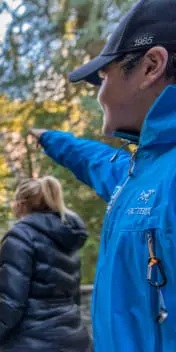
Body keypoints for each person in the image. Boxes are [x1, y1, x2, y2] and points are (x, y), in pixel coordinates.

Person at [29, 0, 176, 350]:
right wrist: (50, 139)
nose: (99, 94)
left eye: (102, 76)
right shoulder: (141, 172)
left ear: (151, 66)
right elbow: (95, 159)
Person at [0, 176, 91, 351]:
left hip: (31, 341)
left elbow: (12, 300)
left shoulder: (20, 236)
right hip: (74, 338)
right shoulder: (68, 237)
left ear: (20, 204)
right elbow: (74, 296)